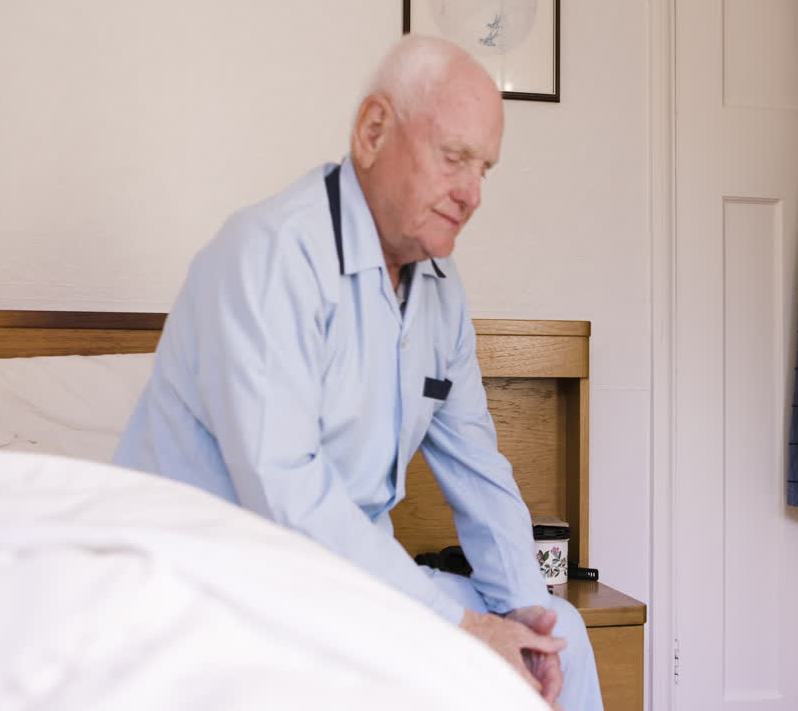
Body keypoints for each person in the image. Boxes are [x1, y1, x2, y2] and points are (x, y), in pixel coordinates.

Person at [113, 35, 602, 711]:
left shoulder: (440, 286)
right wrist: (458, 625)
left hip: (352, 582)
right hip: (226, 574)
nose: (472, 193)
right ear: (374, 132)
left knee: (564, 642)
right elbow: (289, 495)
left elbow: (478, 470)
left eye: (484, 168)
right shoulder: (267, 255)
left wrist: (525, 614)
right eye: (454, 157)